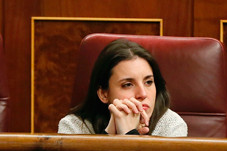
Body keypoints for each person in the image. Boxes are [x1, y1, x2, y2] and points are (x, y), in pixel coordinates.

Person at [58, 39, 187, 136]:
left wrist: (128, 135)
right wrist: (109, 135)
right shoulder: (74, 127)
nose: (143, 94)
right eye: (128, 84)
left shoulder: (170, 125)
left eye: (148, 82)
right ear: (104, 94)